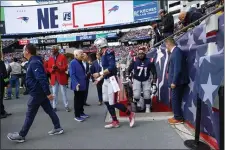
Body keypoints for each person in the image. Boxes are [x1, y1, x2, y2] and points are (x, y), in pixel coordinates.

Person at [7, 44, 63, 143]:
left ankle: (21, 135)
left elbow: (42, 78)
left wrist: (48, 93)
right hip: (39, 92)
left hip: (37, 93)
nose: (22, 52)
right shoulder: (34, 61)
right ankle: (58, 127)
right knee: (49, 110)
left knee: (30, 114)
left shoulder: (34, 63)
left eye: (23, 50)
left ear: (27, 51)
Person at [93, 38, 135, 129]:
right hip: (106, 80)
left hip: (112, 80)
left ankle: (130, 114)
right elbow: (104, 69)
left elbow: (112, 67)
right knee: (106, 101)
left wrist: (99, 74)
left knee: (113, 102)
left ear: (100, 46)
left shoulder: (109, 52)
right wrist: (100, 78)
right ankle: (115, 121)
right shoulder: (103, 54)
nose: (97, 48)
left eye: (97, 46)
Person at [165, 38, 189, 124]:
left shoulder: (176, 52)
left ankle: (178, 118)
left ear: (168, 44)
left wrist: (174, 82)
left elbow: (177, 69)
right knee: (176, 99)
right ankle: (177, 116)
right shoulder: (175, 52)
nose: (166, 47)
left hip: (178, 82)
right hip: (177, 81)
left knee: (175, 99)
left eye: (166, 45)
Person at [127, 46, 157, 113]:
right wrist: (128, 77)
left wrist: (154, 83)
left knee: (147, 94)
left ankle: (147, 108)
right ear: (137, 53)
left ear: (145, 53)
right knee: (136, 95)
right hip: (137, 79)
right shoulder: (134, 59)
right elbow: (129, 70)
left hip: (146, 79)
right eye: (139, 53)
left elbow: (154, 73)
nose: (140, 55)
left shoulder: (150, 60)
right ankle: (138, 103)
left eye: (142, 53)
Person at [48, 45, 70, 112]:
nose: (52, 50)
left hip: (61, 76)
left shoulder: (62, 57)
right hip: (54, 77)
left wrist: (58, 68)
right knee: (54, 93)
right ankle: (54, 106)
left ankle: (66, 106)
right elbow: (48, 68)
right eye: (51, 49)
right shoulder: (50, 58)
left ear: (57, 50)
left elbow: (65, 67)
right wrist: (52, 69)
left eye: (53, 49)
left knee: (64, 92)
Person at [69, 49, 89, 122]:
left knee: (81, 100)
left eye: (82, 53)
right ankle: (77, 115)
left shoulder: (81, 61)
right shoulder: (73, 63)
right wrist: (76, 83)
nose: (82, 54)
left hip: (83, 84)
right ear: (76, 55)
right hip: (77, 85)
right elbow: (72, 74)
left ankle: (81, 112)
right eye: (81, 53)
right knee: (77, 100)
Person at [0, 52, 12, 119]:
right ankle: (1, 112)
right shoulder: (1, 63)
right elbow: (4, 74)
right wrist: (7, 83)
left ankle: (2, 111)